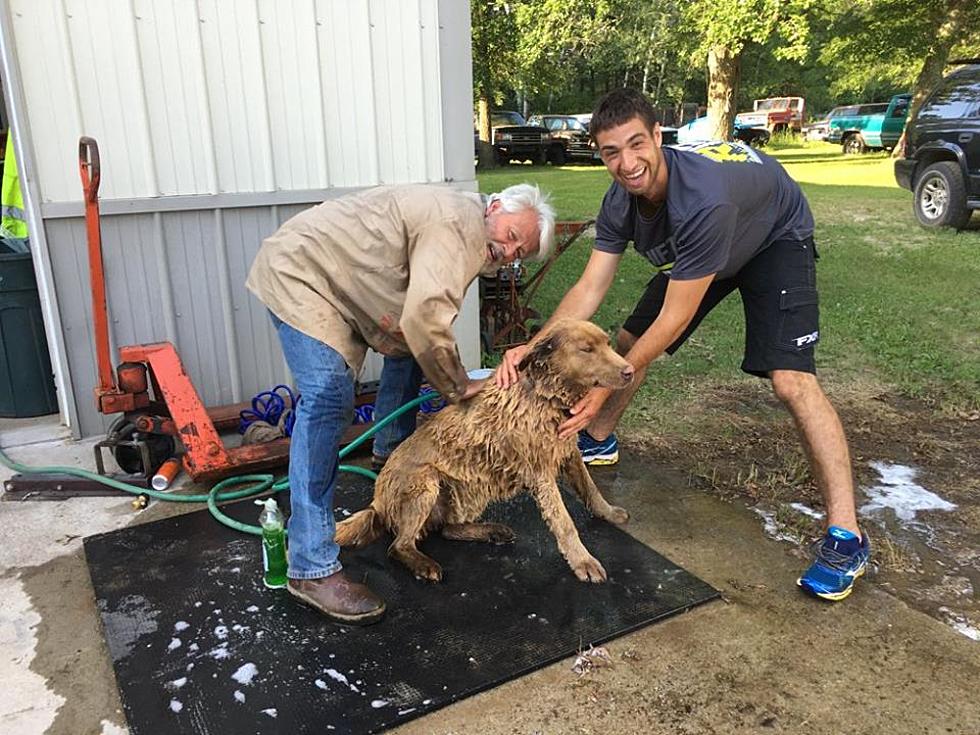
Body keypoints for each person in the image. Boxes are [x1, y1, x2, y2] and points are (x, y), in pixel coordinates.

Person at [495, 89, 869, 602]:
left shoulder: (702, 201)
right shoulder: (619, 199)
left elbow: (674, 317)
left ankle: (846, 537)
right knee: (624, 344)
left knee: (792, 381)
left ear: (657, 137)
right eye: (610, 152)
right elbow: (589, 288)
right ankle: (598, 438)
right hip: (707, 249)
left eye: (635, 145)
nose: (626, 164)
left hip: (772, 236)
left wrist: (605, 386)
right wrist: (531, 346)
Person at [247, 183, 555, 624]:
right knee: (329, 398)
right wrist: (460, 387)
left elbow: (422, 324)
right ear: (494, 207)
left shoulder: (471, 227)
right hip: (302, 274)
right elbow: (426, 319)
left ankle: (392, 463)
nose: (508, 251)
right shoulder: (459, 227)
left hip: (335, 279)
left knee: (412, 349)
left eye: (517, 250)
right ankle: (311, 567)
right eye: (510, 235)